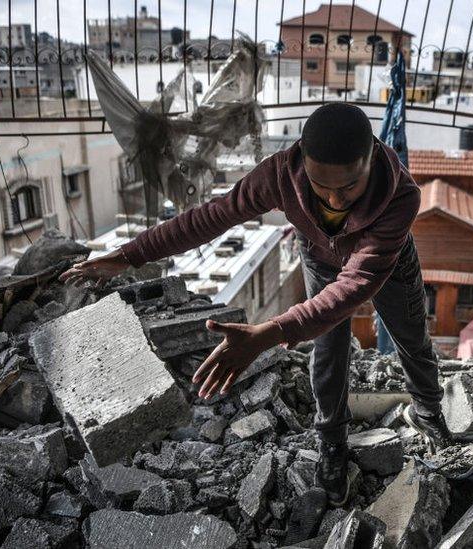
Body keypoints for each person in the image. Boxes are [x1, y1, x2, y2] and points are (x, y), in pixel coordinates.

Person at [60, 103, 451, 507]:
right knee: (328, 347)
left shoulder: (401, 195)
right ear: (302, 162)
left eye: (349, 187)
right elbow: (210, 217)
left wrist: (271, 332)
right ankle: (332, 440)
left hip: (385, 263)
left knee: (411, 338)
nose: (334, 200)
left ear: (372, 158)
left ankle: (427, 410)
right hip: (320, 254)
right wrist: (130, 255)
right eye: (321, 186)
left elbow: (357, 284)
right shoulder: (280, 174)